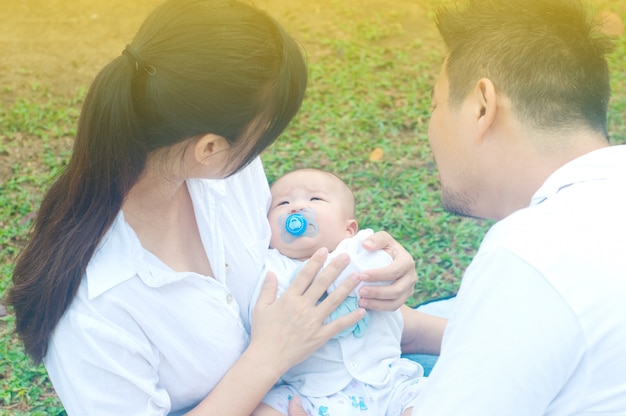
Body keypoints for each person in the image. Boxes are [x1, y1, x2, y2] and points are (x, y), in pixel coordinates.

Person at [7, 0, 443, 415]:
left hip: (341, 376)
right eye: (266, 131)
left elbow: (311, 301)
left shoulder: (225, 175)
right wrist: (269, 357)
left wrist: (373, 284)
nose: (263, 149)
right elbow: (285, 336)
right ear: (210, 147)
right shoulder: (95, 304)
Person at [409, 0, 626, 414]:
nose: (430, 130)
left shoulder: (529, 253)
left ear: (482, 106)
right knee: (437, 316)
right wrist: (420, 331)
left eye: (434, 106)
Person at [251, 168, 428, 416]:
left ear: (349, 229)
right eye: (283, 203)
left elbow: (377, 274)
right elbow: (268, 306)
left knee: (433, 399)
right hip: (309, 393)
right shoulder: (271, 266)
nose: (296, 208)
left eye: (315, 199)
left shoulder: (360, 248)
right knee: (263, 410)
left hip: (388, 382)